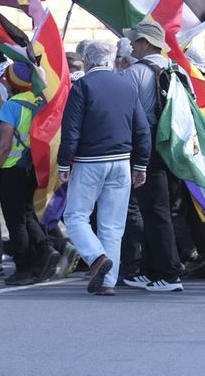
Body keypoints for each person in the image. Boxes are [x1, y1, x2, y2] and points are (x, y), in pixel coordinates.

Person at [58, 39, 150, 296]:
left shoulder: (83, 86)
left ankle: (96, 257)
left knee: (76, 217)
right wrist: (141, 164)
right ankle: (108, 281)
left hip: (90, 160)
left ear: (87, 61)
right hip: (122, 161)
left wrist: (64, 162)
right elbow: (141, 128)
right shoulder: (127, 85)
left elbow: (71, 130)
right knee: (112, 225)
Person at [120, 19, 185, 292]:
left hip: (145, 147)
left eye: (135, 40)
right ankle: (152, 269)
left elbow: (124, 112)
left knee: (154, 212)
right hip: (174, 147)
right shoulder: (176, 68)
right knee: (161, 210)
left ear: (146, 43)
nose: (132, 45)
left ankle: (169, 273)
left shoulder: (134, 73)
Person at [0, 60, 63, 286]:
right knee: (27, 214)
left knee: (15, 220)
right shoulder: (40, 101)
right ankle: (45, 251)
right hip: (34, 166)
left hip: (12, 169)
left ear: (10, 83)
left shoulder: (11, 106)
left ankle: (24, 268)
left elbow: (4, 146)